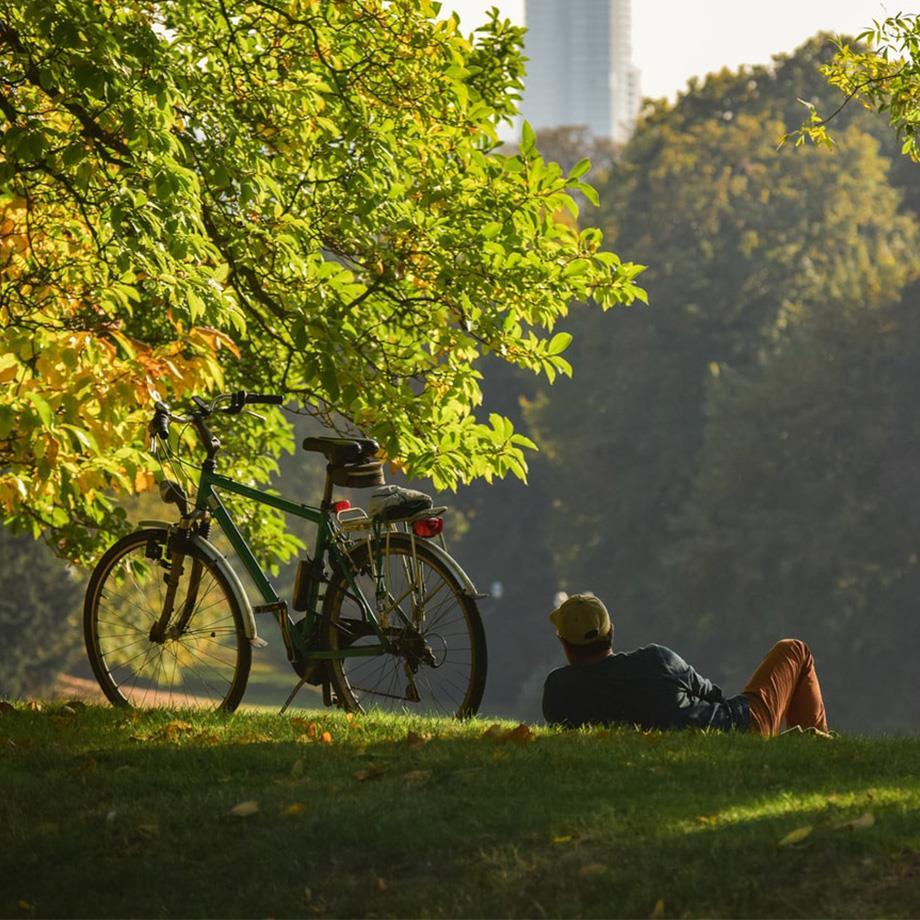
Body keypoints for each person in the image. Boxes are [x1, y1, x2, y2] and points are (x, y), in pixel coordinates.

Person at [542, 594, 830, 736]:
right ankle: (819, 747)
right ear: (611, 632)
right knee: (794, 650)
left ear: (564, 644)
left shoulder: (558, 690)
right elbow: (714, 697)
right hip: (737, 727)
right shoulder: (656, 660)